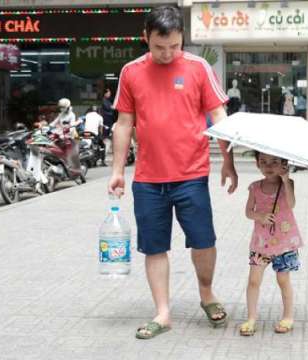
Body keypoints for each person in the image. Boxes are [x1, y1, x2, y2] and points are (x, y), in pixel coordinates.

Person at [108, 5, 238, 339]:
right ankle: (163, 313)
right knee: (154, 247)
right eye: (159, 47)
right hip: (149, 180)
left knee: (204, 241)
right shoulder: (131, 72)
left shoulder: (199, 67)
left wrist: (228, 160)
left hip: (191, 174)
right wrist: (118, 170)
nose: (167, 54)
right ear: (145, 38)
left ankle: (207, 294)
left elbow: (218, 116)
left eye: (174, 46)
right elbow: (123, 124)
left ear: (183, 38)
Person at [239, 151, 303, 337]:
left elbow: (291, 204)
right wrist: (260, 216)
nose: (268, 166)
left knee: (283, 280)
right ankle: (251, 317)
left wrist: (286, 180)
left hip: (285, 243)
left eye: (274, 162)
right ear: (257, 164)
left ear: (284, 164)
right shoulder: (255, 187)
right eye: (263, 162)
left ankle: (288, 316)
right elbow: (248, 212)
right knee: (254, 280)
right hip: (261, 244)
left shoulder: (288, 185)